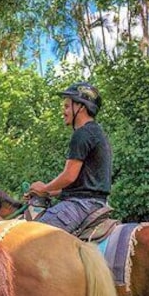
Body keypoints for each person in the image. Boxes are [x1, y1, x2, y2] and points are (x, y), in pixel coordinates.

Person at [27, 81, 112, 233]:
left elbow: (69, 177)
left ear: (81, 107)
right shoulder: (97, 133)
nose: (63, 112)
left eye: (67, 106)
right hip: (95, 202)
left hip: (81, 205)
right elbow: (82, 186)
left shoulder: (82, 134)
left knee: (31, 235)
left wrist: (44, 187)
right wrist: (47, 193)